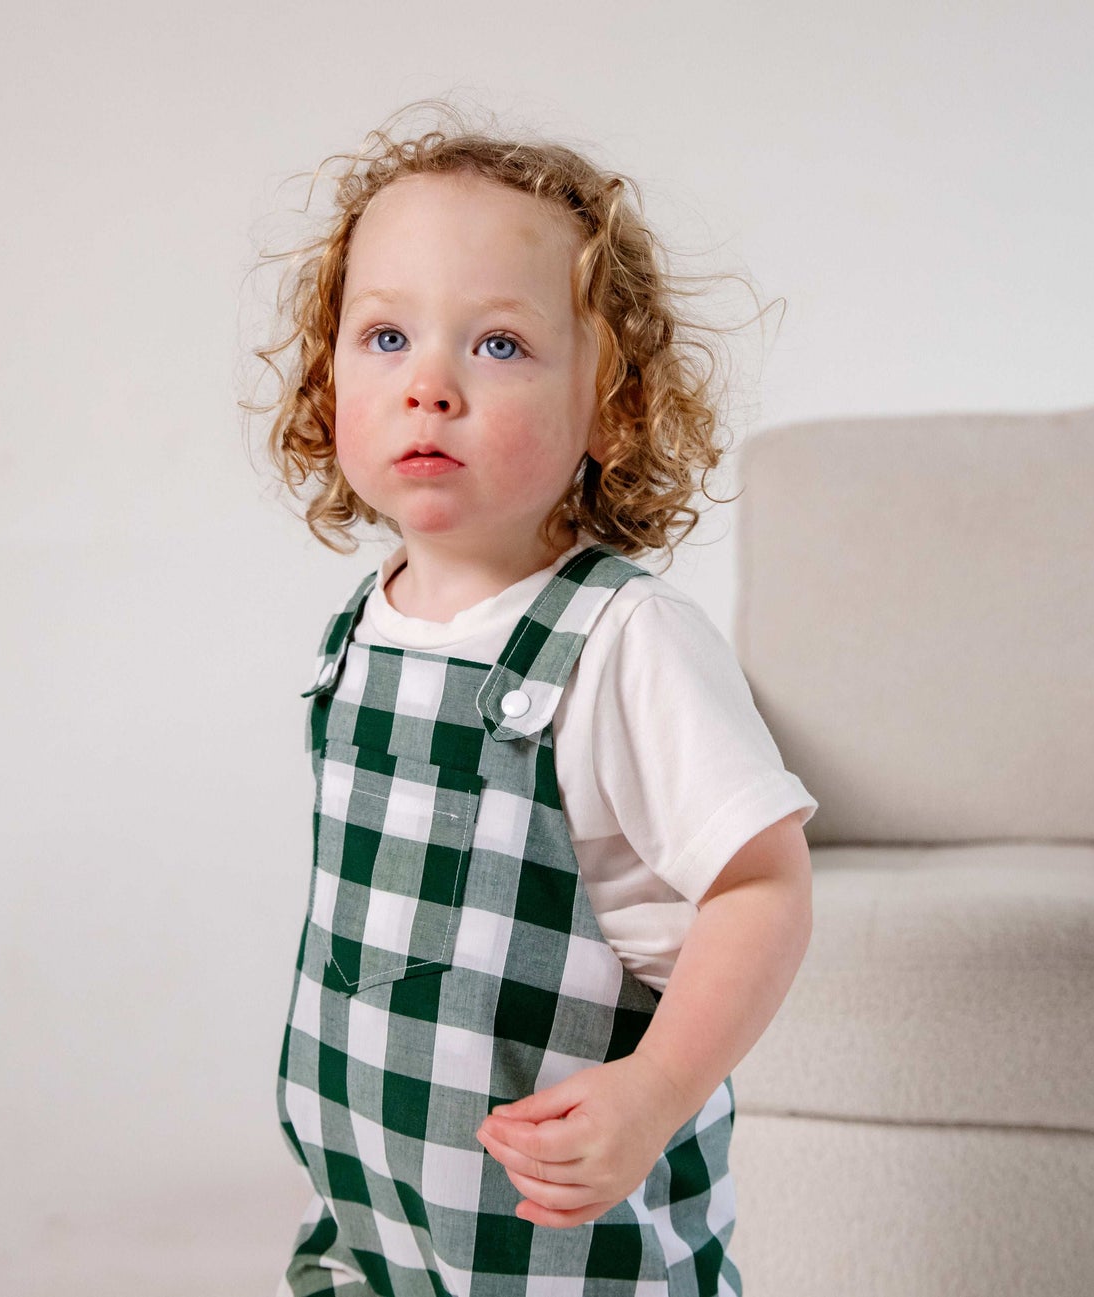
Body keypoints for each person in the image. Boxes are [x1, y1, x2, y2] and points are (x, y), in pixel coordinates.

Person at [249, 99, 816, 1296]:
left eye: (498, 345)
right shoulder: (360, 630)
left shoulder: (624, 641)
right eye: (385, 336)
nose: (429, 385)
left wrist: (653, 1091)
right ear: (327, 376)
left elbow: (761, 887)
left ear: (610, 406)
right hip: (374, 1214)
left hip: (558, 1243)